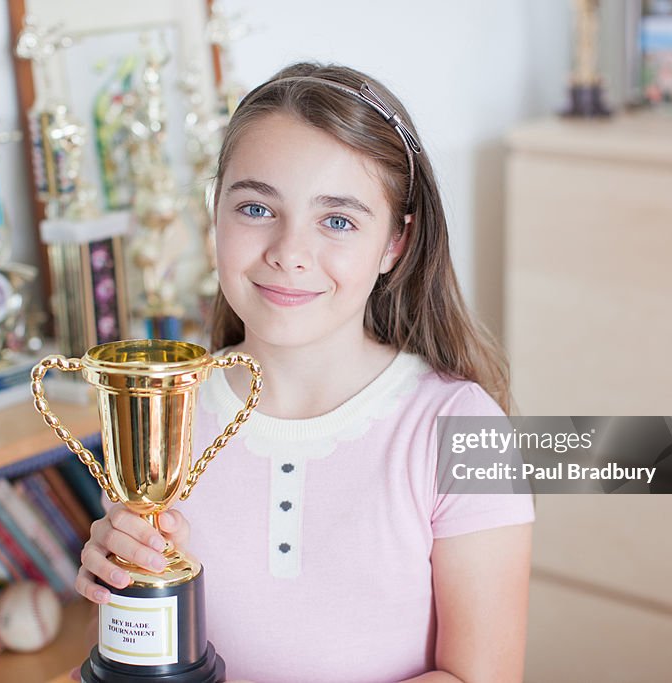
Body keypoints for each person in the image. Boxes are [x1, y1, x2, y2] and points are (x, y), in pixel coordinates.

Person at [75, 62, 534, 683]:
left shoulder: (462, 426)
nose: (289, 252)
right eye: (257, 208)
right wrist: (120, 605)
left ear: (395, 245)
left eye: (337, 220)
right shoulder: (159, 413)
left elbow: (482, 677)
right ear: (215, 215)